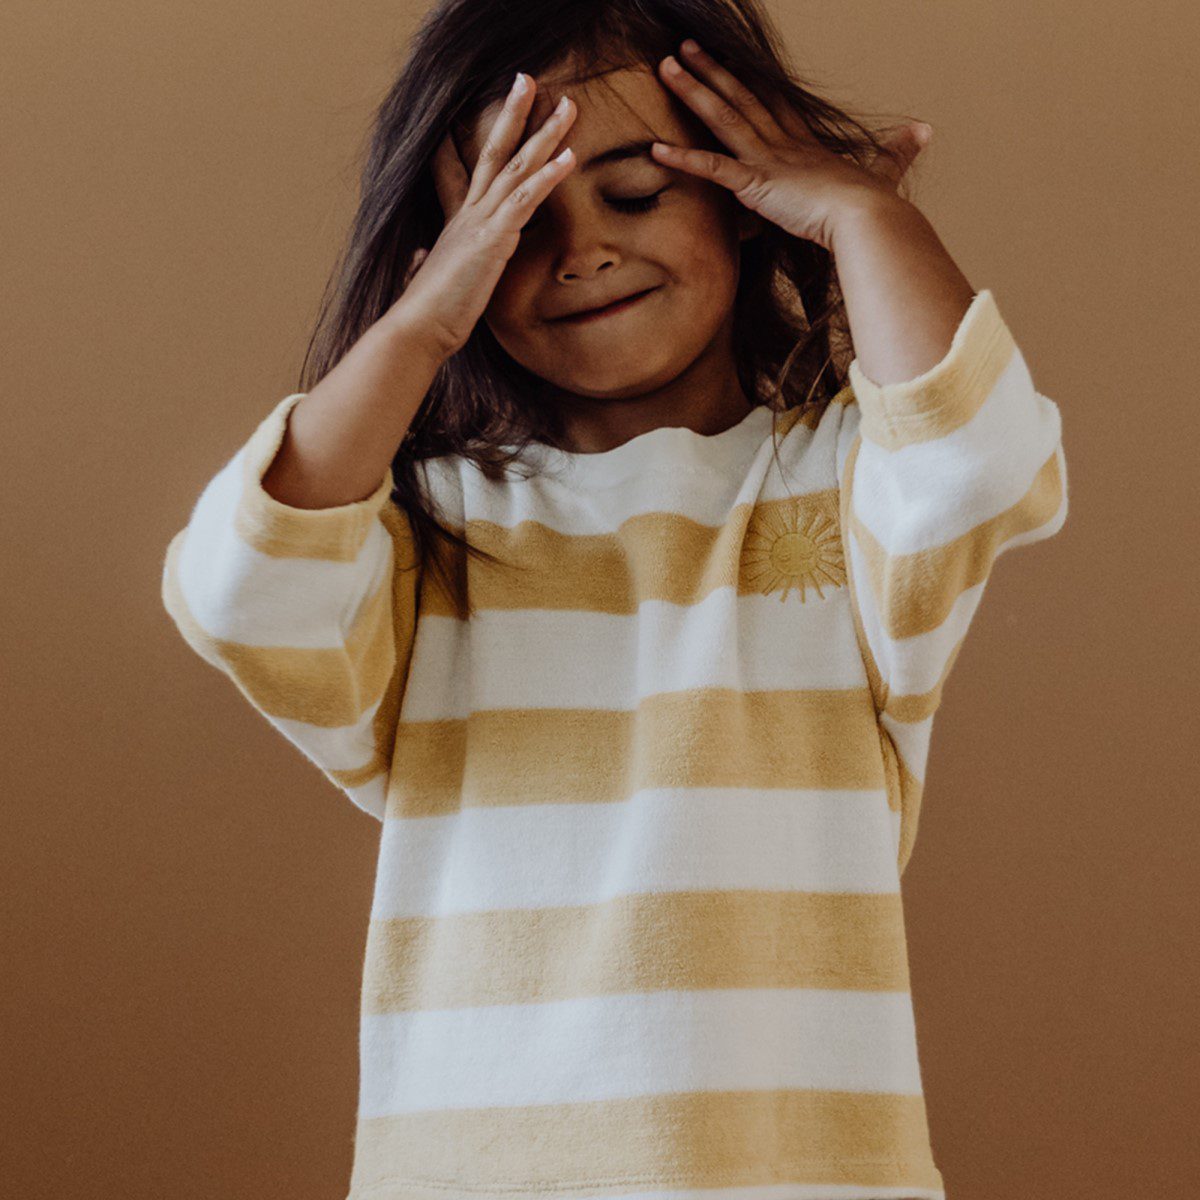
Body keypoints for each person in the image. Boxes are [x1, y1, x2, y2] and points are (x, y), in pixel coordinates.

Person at [160, 1, 1069, 1197]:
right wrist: (422, 324)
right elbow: (241, 589)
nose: (577, 250)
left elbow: (978, 461)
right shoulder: (434, 536)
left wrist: (867, 218)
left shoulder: (838, 492)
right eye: (514, 219)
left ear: (746, 203)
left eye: (635, 192)